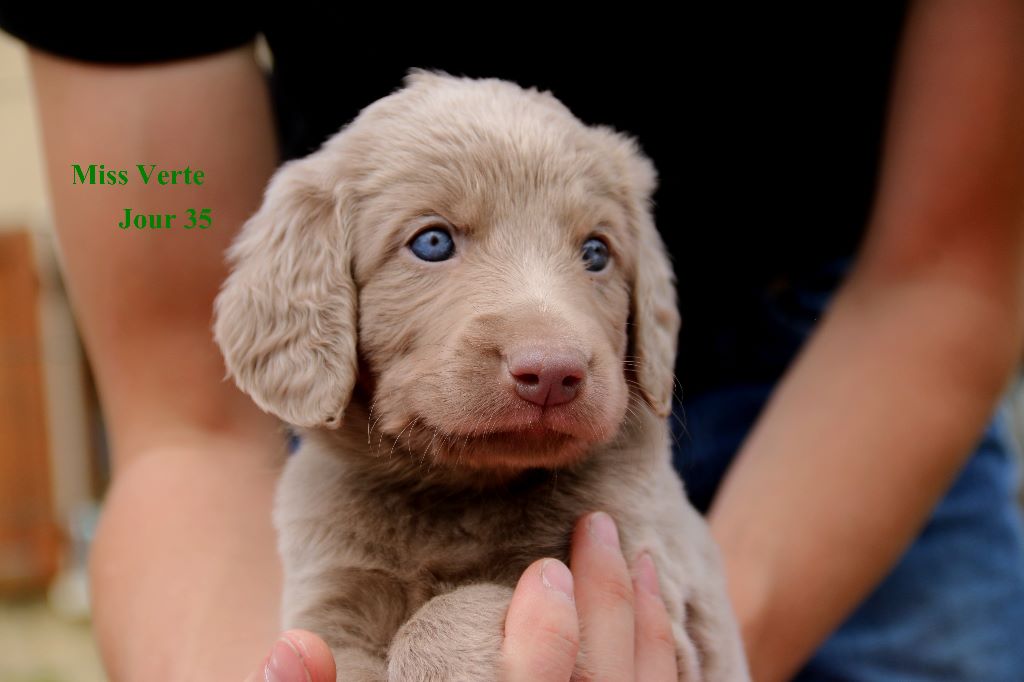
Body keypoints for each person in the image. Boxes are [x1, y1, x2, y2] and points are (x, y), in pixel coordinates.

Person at [2, 2, 1023, 680]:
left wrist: (679, 639)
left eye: (588, 249)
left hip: (851, 378)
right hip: (359, 414)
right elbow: (190, 420)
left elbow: (947, 276)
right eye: (434, 240)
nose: (546, 339)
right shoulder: (311, 248)